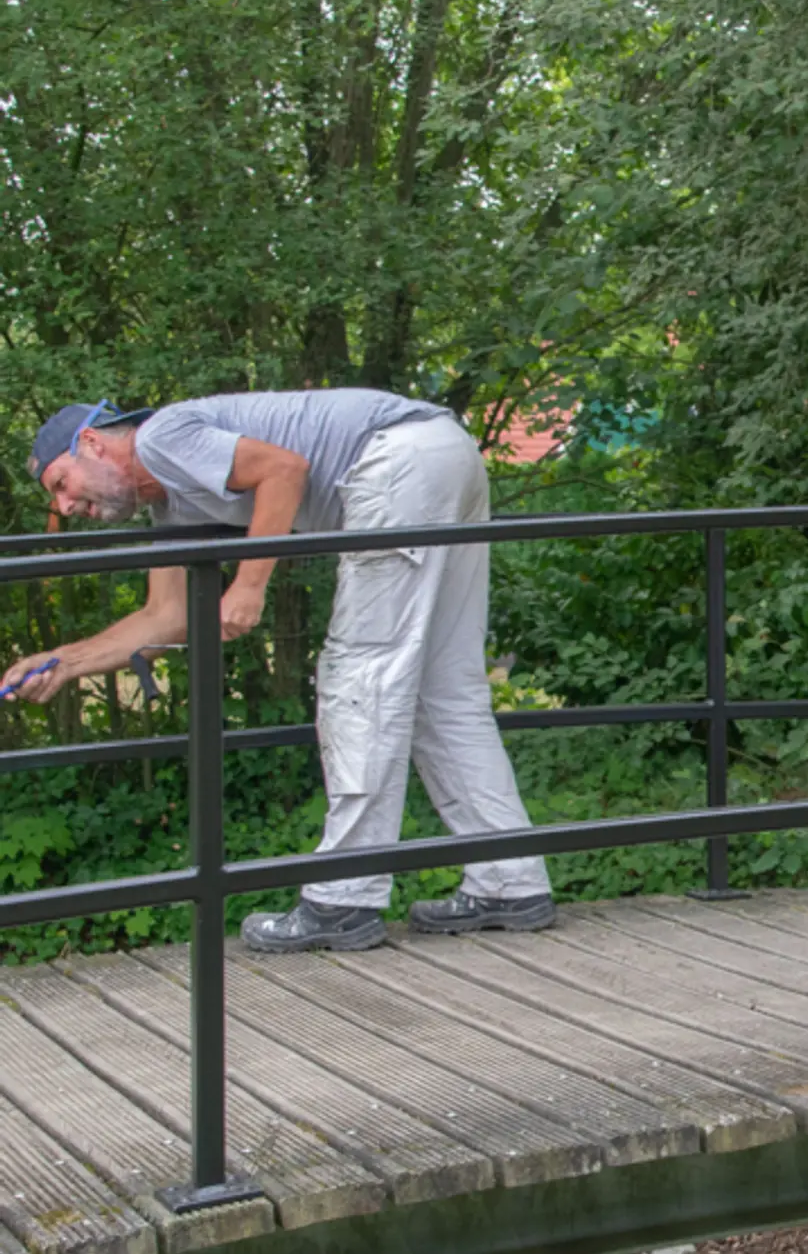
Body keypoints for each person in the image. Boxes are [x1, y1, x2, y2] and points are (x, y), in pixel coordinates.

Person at [3, 391, 557, 952]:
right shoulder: (170, 502)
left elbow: (283, 470)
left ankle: (345, 899)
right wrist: (64, 663)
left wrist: (248, 585)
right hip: (440, 451)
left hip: (398, 461)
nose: (67, 506)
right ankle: (509, 882)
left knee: (358, 681)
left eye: (60, 483)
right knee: (444, 693)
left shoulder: (161, 439)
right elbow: (164, 617)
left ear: (92, 444)